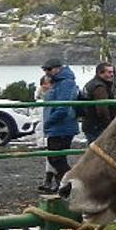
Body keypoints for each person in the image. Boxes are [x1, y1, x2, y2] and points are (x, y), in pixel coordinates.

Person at [39, 58, 79, 193]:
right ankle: (65, 186)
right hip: (58, 127)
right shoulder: (58, 83)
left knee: (56, 158)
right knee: (56, 158)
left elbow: (63, 107)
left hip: (61, 127)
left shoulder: (66, 83)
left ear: (58, 69)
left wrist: (48, 121)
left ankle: (72, 184)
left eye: (49, 69)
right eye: (45, 70)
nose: (46, 72)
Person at [80, 62, 116, 142]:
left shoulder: (90, 84)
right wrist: (109, 124)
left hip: (89, 123)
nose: (112, 75)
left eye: (112, 72)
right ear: (100, 73)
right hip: (97, 126)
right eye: (109, 72)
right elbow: (102, 109)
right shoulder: (99, 88)